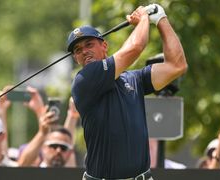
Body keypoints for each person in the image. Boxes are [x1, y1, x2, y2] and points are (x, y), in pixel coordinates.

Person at [68, 3, 187, 179]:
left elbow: (177, 65)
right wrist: (144, 19)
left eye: (89, 44)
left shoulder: (134, 79)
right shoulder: (84, 80)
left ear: (104, 46)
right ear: (76, 58)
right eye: (78, 50)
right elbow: (136, 47)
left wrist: (161, 20)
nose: (84, 51)